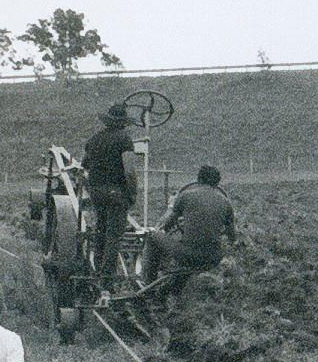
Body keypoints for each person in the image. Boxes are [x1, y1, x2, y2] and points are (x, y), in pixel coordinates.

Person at [138, 164, 236, 297]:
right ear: (217, 182)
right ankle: (175, 287)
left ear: (198, 179)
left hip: (188, 255)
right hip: (213, 258)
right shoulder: (226, 202)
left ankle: (148, 283)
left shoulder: (185, 196)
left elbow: (167, 225)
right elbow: (231, 237)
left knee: (153, 237)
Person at [83, 105, 137, 282]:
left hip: (96, 192)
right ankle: (107, 277)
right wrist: (132, 193)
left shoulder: (94, 139)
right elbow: (129, 171)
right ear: (123, 123)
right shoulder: (125, 140)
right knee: (114, 235)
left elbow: (85, 164)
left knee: (101, 229)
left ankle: (98, 270)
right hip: (116, 192)